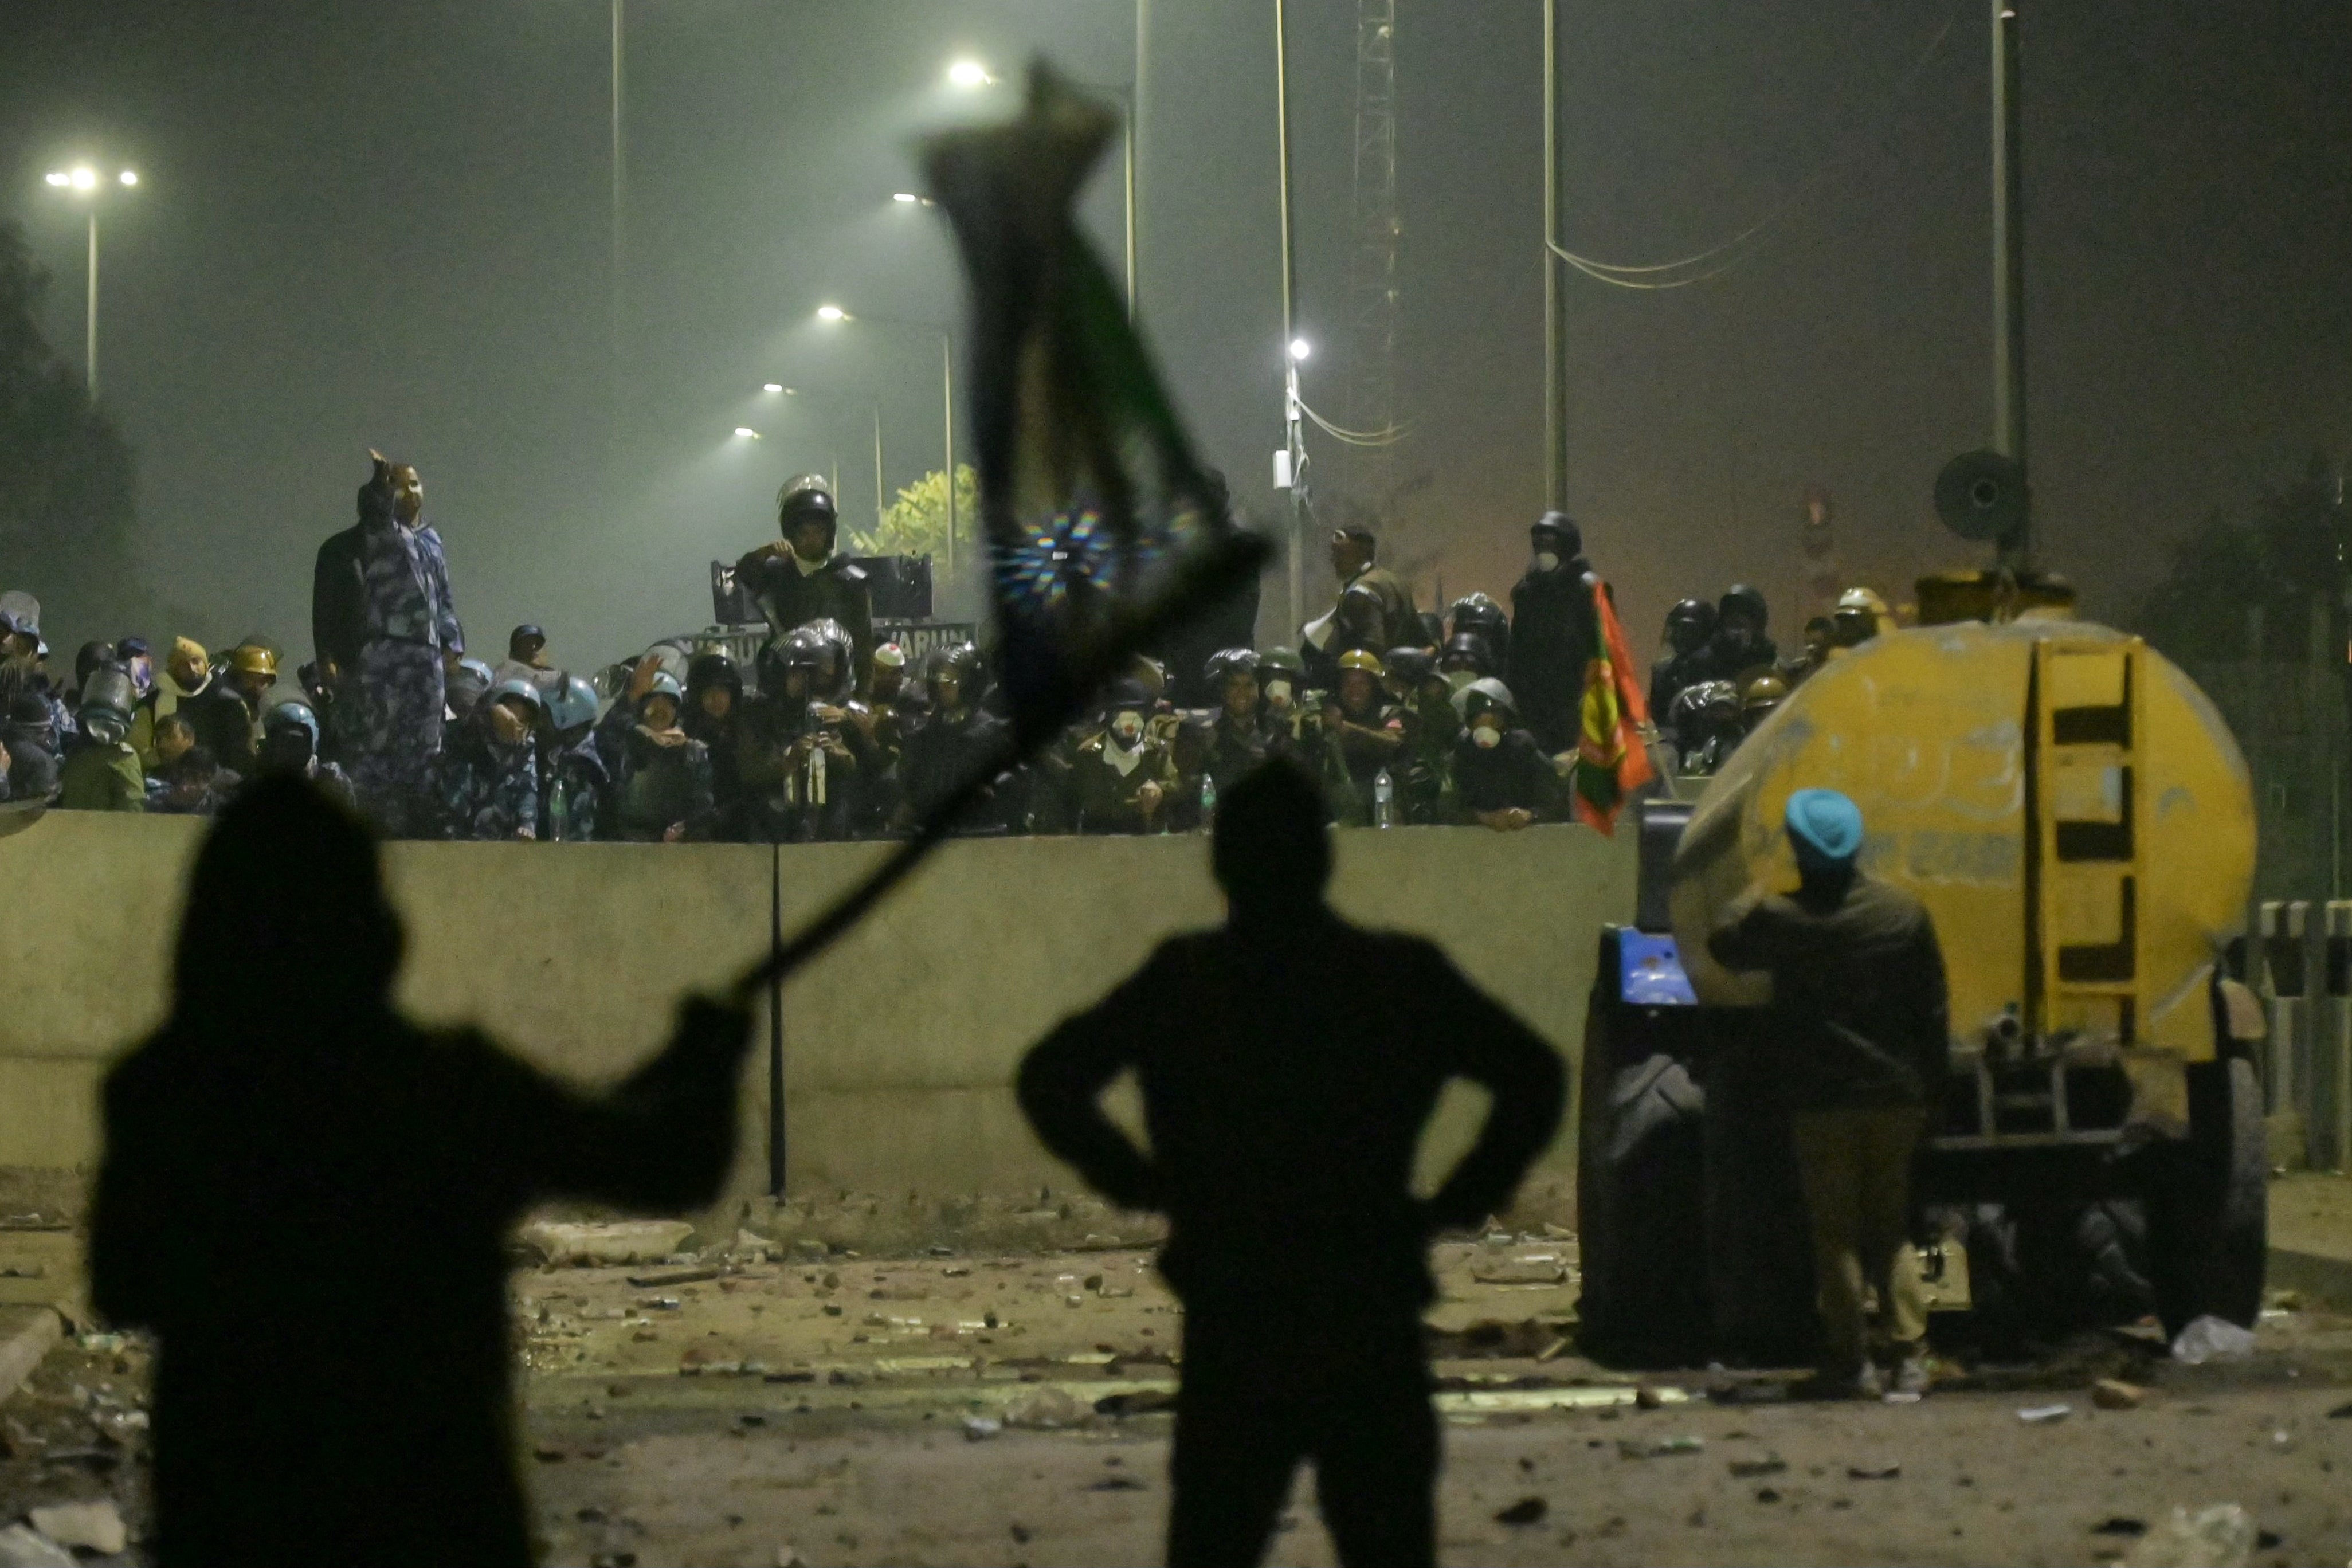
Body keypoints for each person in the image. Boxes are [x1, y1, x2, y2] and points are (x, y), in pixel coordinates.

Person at [88, 777, 754, 1567]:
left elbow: (120, 1283)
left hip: (235, 1518)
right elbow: (668, 1164)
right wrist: (709, 1065)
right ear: (370, 927)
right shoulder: (447, 1088)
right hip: (436, 1518)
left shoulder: (162, 1091)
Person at [1016, 759, 1565, 1568]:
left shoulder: (1190, 978)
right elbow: (1534, 1076)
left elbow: (1050, 1077)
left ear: (1221, 864)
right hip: (1365, 1297)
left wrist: (1142, 1183)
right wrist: (1456, 1201)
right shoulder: (1391, 974)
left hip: (1237, 1304)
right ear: (1323, 858)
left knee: (1216, 1537)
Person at [1707, 787, 1951, 1399]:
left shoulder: (1783, 921)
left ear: (1798, 849)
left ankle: (1852, 1362)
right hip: (1897, 1095)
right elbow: (1934, 1010)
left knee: (1836, 1233)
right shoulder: (1903, 913)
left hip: (1823, 1099)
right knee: (1890, 1229)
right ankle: (1911, 1357)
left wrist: (1755, 889)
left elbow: (1724, 945)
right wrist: (1934, 1091)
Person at [312, 454, 466, 837]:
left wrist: (453, 641)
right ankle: (370, 827)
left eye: (414, 483)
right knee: (377, 741)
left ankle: (419, 821)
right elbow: (373, 507)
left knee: (426, 743)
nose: (409, 491)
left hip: (427, 655)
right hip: (386, 651)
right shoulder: (380, 532)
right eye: (400, 485)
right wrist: (379, 484)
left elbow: (444, 598)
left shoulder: (432, 540)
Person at [731, 476, 874, 682]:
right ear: (791, 533)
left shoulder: (850, 581)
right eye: (804, 533)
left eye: (819, 532)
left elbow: (864, 648)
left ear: (830, 532)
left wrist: (861, 702)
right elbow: (744, 573)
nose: (812, 539)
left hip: (837, 684)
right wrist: (767, 551)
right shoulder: (777, 575)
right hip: (786, 682)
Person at [1506, 511, 1602, 752]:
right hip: (1534, 690)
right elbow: (1517, 644)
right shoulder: (1528, 590)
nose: (1542, 547)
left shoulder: (1588, 588)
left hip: (1574, 686)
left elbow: (1604, 642)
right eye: (1538, 542)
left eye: (1550, 541)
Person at [893, 644, 1014, 835]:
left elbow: (1005, 791)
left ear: (971, 682)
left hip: (980, 835)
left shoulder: (990, 733)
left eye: (951, 679)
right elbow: (909, 788)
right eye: (939, 679)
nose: (943, 685)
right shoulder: (924, 736)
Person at [609, 671, 712, 842]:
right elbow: (607, 732)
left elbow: (702, 804)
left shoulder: (694, 752)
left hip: (676, 849)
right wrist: (631, 698)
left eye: (667, 703)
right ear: (641, 708)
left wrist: (686, 828)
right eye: (654, 702)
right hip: (629, 845)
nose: (660, 709)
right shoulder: (626, 745)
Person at [1063, 681, 1177, 834]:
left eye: (1136, 712)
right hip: (1098, 843)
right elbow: (1070, 802)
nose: (1128, 721)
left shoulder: (1157, 752)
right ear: (1108, 715)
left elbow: (1177, 786)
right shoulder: (1088, 754)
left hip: (1145, 841)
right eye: (1120, 712)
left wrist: (1160, 790)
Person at [436, 679, 543, 841]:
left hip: (500, 842)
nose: (514, 723)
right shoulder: (472, 734)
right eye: (510, 714)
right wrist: (487, 711)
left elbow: (528, 789)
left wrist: (527, 824)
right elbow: (464, 724)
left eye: (523, 720)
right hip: (455, 834)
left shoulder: (525, 750)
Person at [1304, 526, 1418, 678]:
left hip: (1369, 680)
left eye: (1340, 554)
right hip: (1404, 676)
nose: (1334, 561)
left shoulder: (1360, 591)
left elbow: (1372, 646)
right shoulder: (1394, 581)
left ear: (1360, 553)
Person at [1448, 678, 1557, 832]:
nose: (1486, 730)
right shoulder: (1464, 756)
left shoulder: (1525, 751)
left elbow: (1553, 800)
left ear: (1506, 721)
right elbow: (1454, 807)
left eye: (1494, 722)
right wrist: (1484, 817)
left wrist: (1531, 815)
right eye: (1479, 724)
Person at [1319, 649, 1404, 824]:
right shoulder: (1328, 711)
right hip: (1339, 799)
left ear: (1373, 686)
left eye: (1362, 683)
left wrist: (1346, 728)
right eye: (1348, 683)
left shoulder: (1388, 712)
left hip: (1382, 795)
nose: (1354, 690)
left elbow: (1393, 740)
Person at [57, 668, 146, 812]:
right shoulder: (77, 754)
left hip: (104, 832)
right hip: (73, 830)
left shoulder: (124, 757)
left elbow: (132, 807)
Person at [539, 675, 609, 842]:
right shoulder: (564, 754)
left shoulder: (582, 767)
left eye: (545, 717)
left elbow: (579, 831)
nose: (539, 724)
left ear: (565, 717)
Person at [130, 637, 213, 771]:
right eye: (183, 665)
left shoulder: (219, 699)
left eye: (196, 661)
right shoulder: (152, 704)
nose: (192, 669)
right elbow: (136, 751)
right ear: (173, 669)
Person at [256, 700, 356, 807]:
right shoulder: (260, 782)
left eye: (296, 741)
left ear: (312, 742)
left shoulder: (333, 782)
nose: (288, 748)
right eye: (281, 740)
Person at [1648, 598, 1718, 727]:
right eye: (1676, 629)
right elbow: (1658, 718)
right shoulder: (1663, 672)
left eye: (1686, 630)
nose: (1678, 635)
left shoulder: (1719, 669)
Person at [1704, 584, 1779, 687]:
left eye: (1741, 626)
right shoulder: (1707, 663)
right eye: (1730, 625)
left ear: (1758, 625)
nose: (1736, 632)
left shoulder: (1771, 662)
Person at [492, 625, 562, 697]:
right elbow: (534, 679)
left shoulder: (540, 674)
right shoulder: (507, 669)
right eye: (527, 644)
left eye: (538, 645)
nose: (533, 648)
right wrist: (562, 678)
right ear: (516, 648)